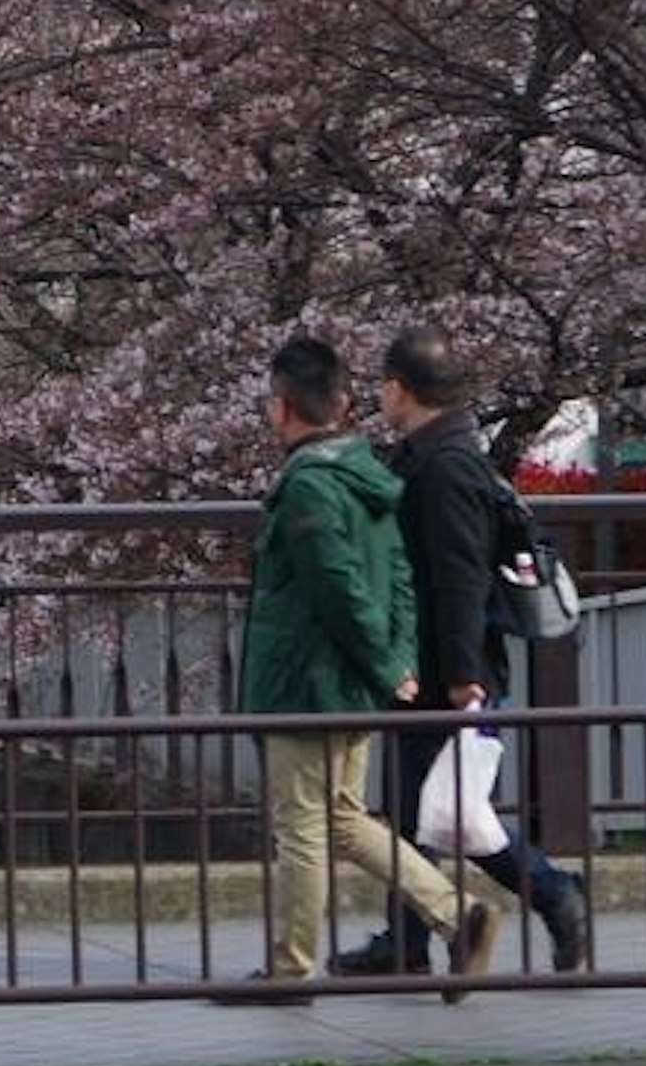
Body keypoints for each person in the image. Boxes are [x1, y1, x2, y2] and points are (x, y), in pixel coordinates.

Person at [220, 335, 495, 1004]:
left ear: (281, 408)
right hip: (355, 679)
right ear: (343, 404)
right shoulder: (372, 474)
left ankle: (291, 971)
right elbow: (398, 574)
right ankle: (458, 915)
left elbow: (335, 585)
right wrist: (395, 660)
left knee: (302, 828)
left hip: (305, 684)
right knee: (343, 819)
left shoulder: (309, 486)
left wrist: (380, 658)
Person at [333, 325, 591, 979]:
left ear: (400, 389)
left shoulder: (444, 467)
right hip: (437, 663)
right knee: (425, 811)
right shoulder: (444, 454)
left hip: (447, 668)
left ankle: (556, 894)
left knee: (451, 816)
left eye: (384, 388)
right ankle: (408, 940)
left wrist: (463, 677)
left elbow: (458, 579)